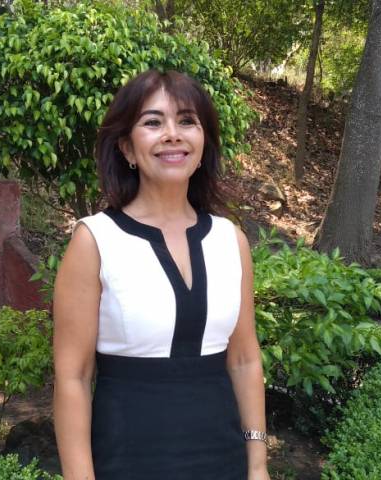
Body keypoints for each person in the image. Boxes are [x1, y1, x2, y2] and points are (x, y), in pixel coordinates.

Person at [52, 69, 270, 480]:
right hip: (125, 464)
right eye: (153, 122)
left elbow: (244, 359)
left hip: (223, 463)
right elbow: (73, 377)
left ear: (203, 143)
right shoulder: (95, 240)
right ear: (127, 148)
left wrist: (258, 465)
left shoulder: (230, 240)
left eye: (187, 121)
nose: (172, 134)